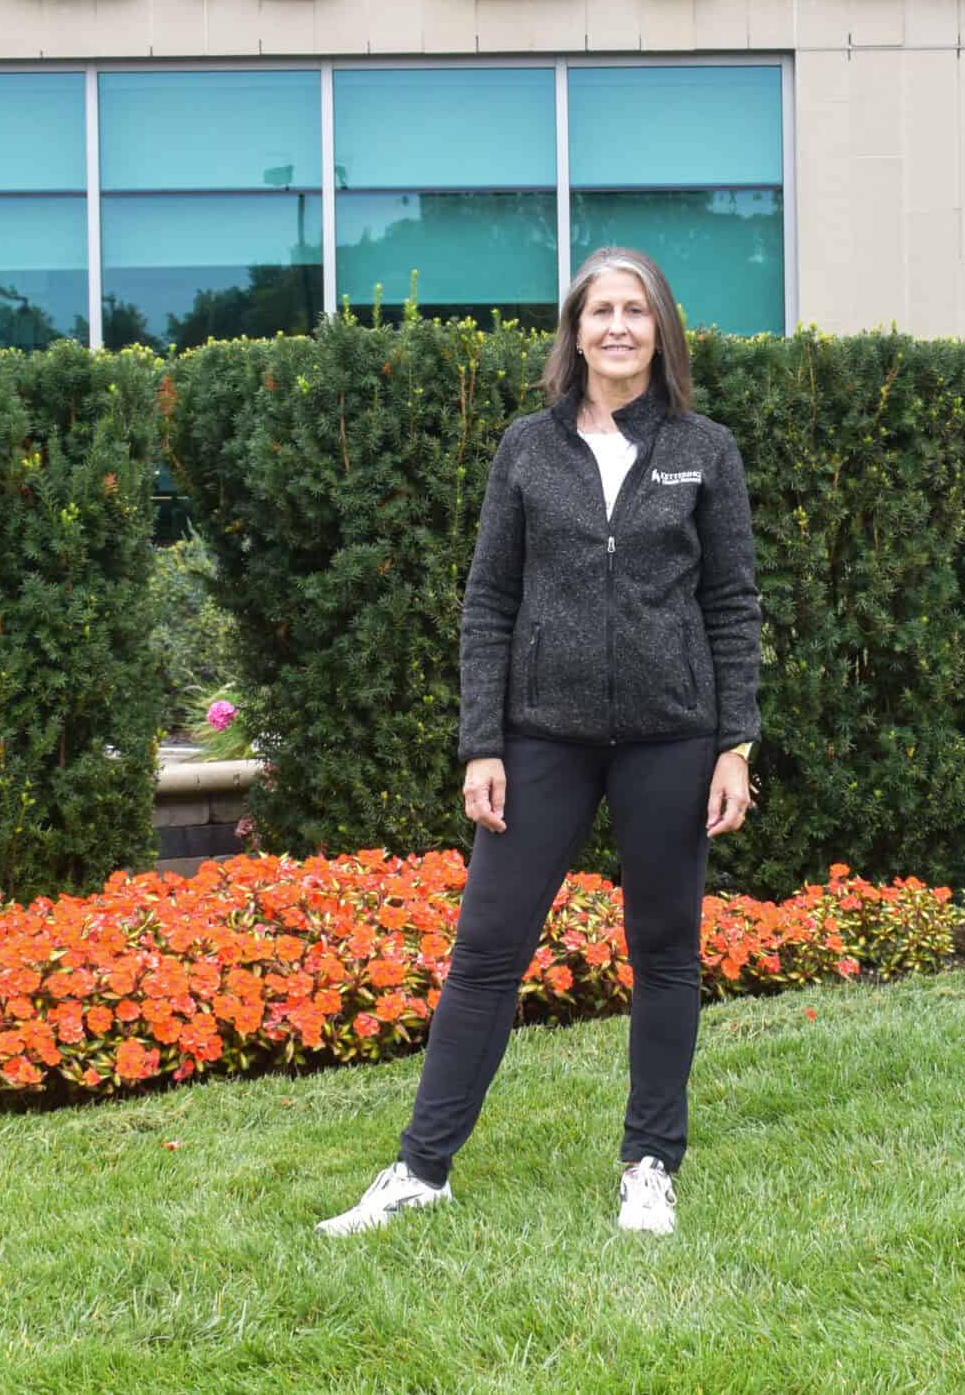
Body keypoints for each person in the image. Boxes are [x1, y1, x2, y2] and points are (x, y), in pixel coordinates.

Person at [317, 247, 762, 1240]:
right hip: (540, 739)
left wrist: (734, 743)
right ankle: (420, 1170)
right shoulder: (527, 447)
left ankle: (650, 1164)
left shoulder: (704, 448)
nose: (618, 326)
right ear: (576, 331)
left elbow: (731, 603)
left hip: (671, 738)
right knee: (485, 950)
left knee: (665, 952)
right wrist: (483, 742)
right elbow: (489, 600)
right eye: (601, 310)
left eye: (635, 310)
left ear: (661, 329)